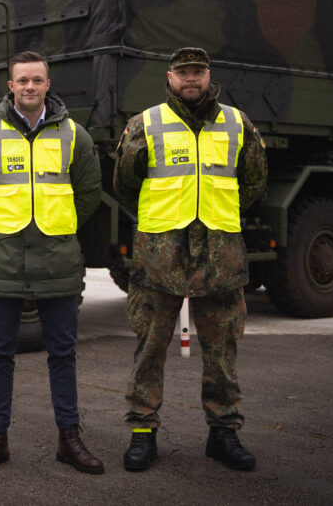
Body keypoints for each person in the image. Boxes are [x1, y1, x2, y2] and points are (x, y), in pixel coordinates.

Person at [114, 47, 267, 472]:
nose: (191, 79)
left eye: (198, 71)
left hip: (220, 258)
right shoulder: (145, 124)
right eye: (183, 72)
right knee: (149, 348)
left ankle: (224, 434)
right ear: (169, 77)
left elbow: (253, 181)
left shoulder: (238, 124)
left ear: (208, 75)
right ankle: (142, 434)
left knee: (222, 351)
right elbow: (126, 184)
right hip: (159, 260)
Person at [0, 50, 103, 475]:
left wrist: (58, 230)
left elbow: (89, 193)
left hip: (58, 262)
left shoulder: (75, 136)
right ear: (10, 86)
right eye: (21, 80)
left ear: (47, 84)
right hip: (3, 262)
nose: (29, 87)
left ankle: (69, 439)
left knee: (63, 354)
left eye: (36, 80)